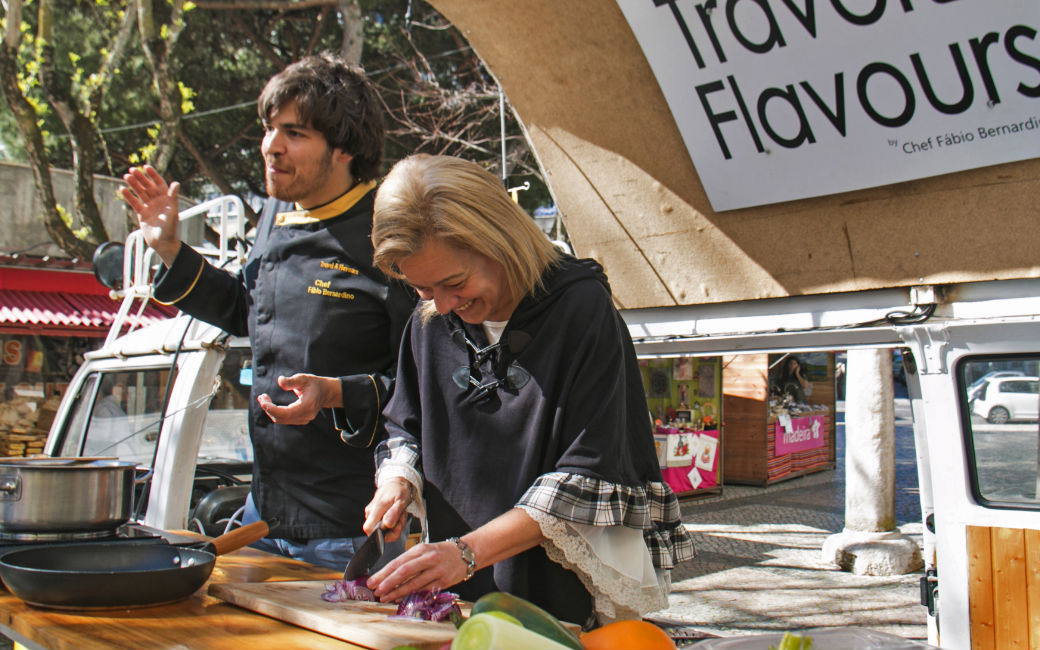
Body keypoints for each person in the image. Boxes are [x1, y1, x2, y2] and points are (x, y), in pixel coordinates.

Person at [360, 154, 695, 629]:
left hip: (557, 590)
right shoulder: (430, 320)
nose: (445, 304)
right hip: (463, 593)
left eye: (455, 283)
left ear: (499, 239)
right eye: (422, 288)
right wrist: (397, 482)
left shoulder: (580, 310)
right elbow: (405, 424)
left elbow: (589, 472)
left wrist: (466, 552)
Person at [120, 54, 416, 570]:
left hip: (351, 532)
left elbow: (427, 390)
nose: (270, 146)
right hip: (262, 517)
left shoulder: (393, 238)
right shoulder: (278, 214)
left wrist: (337, 392)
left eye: (294, 133)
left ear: (343, 147)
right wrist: (170, 249)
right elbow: (248, 313)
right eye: (269, 128)